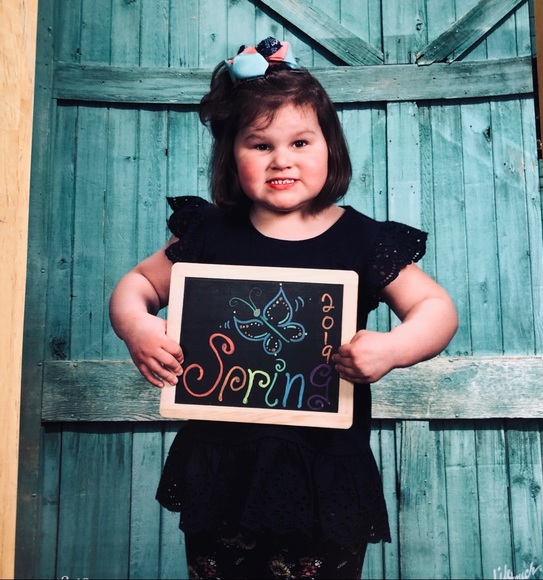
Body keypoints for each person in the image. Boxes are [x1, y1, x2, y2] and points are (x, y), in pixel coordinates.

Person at [109, 37, 458, 580]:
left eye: (300, 142)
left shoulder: (362, 240)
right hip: (223, 466)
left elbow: (437, 309)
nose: (282, 160)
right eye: (260, 144)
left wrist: (394, 347)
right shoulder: (211, 234)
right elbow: (136, 285)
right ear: (232, 155)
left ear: (330, 148)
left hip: (324, 470)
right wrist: (137, 325)